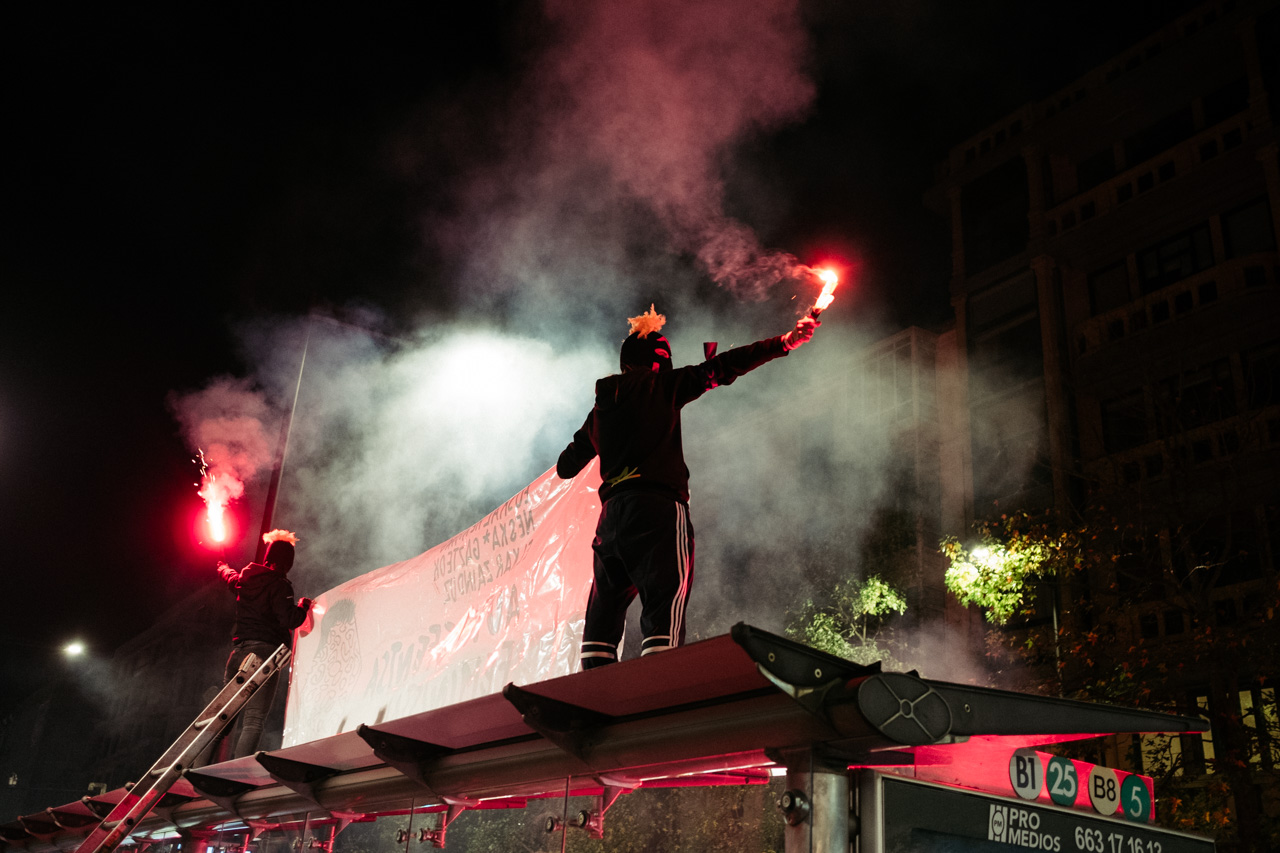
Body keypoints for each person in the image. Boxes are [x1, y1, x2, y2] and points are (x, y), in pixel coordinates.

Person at [556, 305, 819, 669]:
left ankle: (592, 689)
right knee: (666, 601)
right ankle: (660, 688)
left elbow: (565, 467)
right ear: (659, 359)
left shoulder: (600, 408)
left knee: (605, 608)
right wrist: (785, 342)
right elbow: (724, 366)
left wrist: (605, 437)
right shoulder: (664, 385)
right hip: (658, 510)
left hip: (611, 521)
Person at [208, 529, 312, 761]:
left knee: (224, 717)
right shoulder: (280, 585)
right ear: (287, 562)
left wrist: (222, 566)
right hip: (264, 655)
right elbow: (290, 619)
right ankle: (236, 773)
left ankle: (196, 766)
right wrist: (303, 606)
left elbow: (230, 577)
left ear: (267, 557)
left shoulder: (246, 579)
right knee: (253, 720)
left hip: (238, 654)